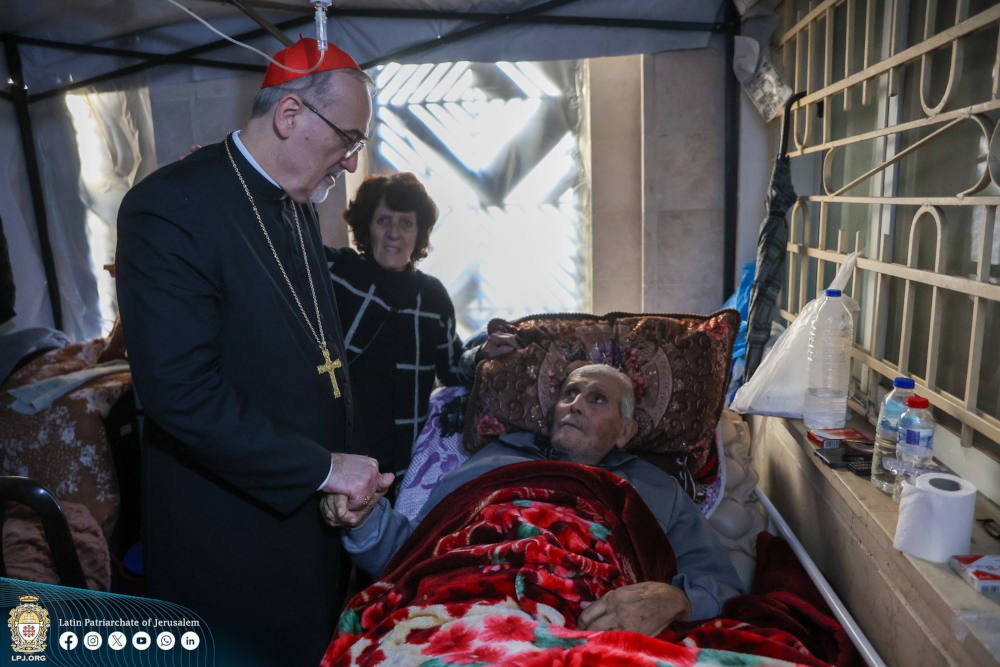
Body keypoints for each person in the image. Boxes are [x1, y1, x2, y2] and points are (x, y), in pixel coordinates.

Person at [115, 38, 393, 665]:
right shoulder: (169, 209)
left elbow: (315, 357)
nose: (351, 163)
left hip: (310, 524)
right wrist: (322, 468)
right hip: (231, 541)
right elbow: (180, 395)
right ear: (290, 116)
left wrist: (340, 467)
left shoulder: (293, 202)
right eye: (348, 140)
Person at [325, 363, 743, 632]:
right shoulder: (492, 460)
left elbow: (720, 583)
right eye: (569, 394)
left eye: (596, 399)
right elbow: (411, 553)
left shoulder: (656, 488)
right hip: (457, 606)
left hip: (585, 620)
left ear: (626, 432)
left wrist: (674, 600)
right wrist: (364, 519)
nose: (575, 404)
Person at [326, 172, 514, 484]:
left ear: (419, 234)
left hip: (405, 456)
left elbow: (453, 368)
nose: (394, 233)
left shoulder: (432, 296)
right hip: (340, 450)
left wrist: (483, 352)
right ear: (366, 227)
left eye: (406, 223)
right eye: (384, 220)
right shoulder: (339, 273)